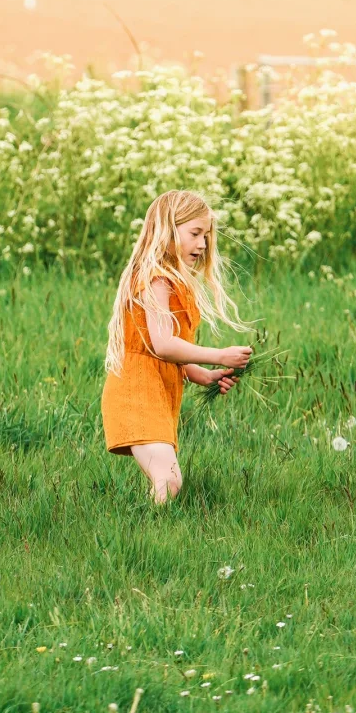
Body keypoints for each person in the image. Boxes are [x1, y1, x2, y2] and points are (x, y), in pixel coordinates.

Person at [101, 189, 253, 503]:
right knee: (168, 480)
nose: (203, 244)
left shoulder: (172, 282)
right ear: (168, 230)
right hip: (137, 390)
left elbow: (169, 352)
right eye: (195, 233)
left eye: (207, 236)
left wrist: (204, 375)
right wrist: (218, 355)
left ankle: (148, 530)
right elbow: (163, 345)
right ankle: (146, 539)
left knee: (169, 479)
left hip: (154, 389)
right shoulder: (156, 279)